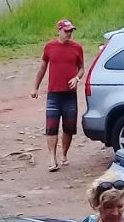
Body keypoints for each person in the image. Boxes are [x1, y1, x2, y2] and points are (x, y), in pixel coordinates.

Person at [31, 19, 85, 172]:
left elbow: (81, 68)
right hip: (54, 94)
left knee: (68, 128)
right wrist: (35, 87)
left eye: (71, 31)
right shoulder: (50, 47)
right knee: (51, 127)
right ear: (59, 30)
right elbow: (42, 68)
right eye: (66, 31)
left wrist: (77, 78)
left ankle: (64, 154)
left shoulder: (77, 48)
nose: (69, 33)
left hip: (70, 95)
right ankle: (52, 158)